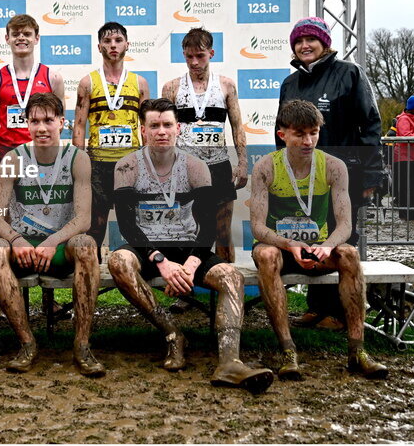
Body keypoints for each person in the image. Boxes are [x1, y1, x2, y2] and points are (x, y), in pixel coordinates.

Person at [108, 98, 274, 392]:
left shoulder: (196, 167)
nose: (162, 131)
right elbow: (128, 227)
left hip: (188, 247)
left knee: (231, 276)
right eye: (154, 125)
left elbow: (208, 225)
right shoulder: (126, 166)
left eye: (167, 125)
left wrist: (190, 264)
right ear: (142, 130)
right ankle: (173, 334)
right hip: (146, 245)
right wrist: (161, 261)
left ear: (178, 129)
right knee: (118, 262)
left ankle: (229, 362)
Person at [250, 99, 388, 379]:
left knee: (349, 253)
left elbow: (346, 224)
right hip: (282, 248)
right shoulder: (266, 166)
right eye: (300, 134)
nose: (308, 140)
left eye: (313, 132)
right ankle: (288, 351)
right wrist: (290, 245)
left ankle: (357, 350)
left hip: (319, 249)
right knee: (265, 255)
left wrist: (326, 247)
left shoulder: (334, 166)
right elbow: (257, 227)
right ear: (282, 135)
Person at [0, 92, 104, 377]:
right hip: (25, 245)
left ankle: (82, 344)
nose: (42, 128)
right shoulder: (13, 159)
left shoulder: (78, 158)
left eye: (49, 121)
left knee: (87, 245)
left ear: (62, 122)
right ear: (25, 123)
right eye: (34, 121)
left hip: (61, 245)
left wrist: (53, 241)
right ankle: (27, 343)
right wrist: (16, 240)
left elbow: (83, 219)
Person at [277, 17, 383, 329]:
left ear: (325, 43)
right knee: (310, 234)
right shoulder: (290, 83)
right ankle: (317, 306)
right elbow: (280, 132)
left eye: (311, 39)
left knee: (341, 240)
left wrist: (371, 175)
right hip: (302, 178)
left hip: (345, 175)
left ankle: (341, 310)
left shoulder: (349, 73)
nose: (304, 46)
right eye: (298, 41)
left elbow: (371, 125)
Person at [161, 28, 247, 264]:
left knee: (222, 233)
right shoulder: (172, 88)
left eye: (200, 55)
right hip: (185, 169)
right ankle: (187, 297)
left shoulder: (226, 86)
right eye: (189, 56)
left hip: (219, 166)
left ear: (211, 53)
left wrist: (243, 164)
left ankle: (228, 290)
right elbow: (165, 131)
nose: (194, 62)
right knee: (188, 232)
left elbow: (237, 127)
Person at [73, 22, 148, 251]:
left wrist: (148, 163)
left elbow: (146, 127)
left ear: (127, 45)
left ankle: (137, 274)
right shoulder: (88, 83)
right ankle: (91, 276)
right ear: (99, 46)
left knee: (133, 225)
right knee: (95, 227)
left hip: (130, 165)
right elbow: (78, 126)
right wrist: (80, 165)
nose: (113, 46)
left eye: (117, 41)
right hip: (98, 165)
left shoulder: (139, 83)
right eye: (107, 41)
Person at [0, 14, 65, 164]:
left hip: (43, 153)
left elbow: (57, 121)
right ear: (7, 39)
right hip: (6, 155)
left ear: (37, 38)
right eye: (15, 34)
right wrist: (10, 149)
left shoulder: (53, 78)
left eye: (27, 34)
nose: (21, 38)